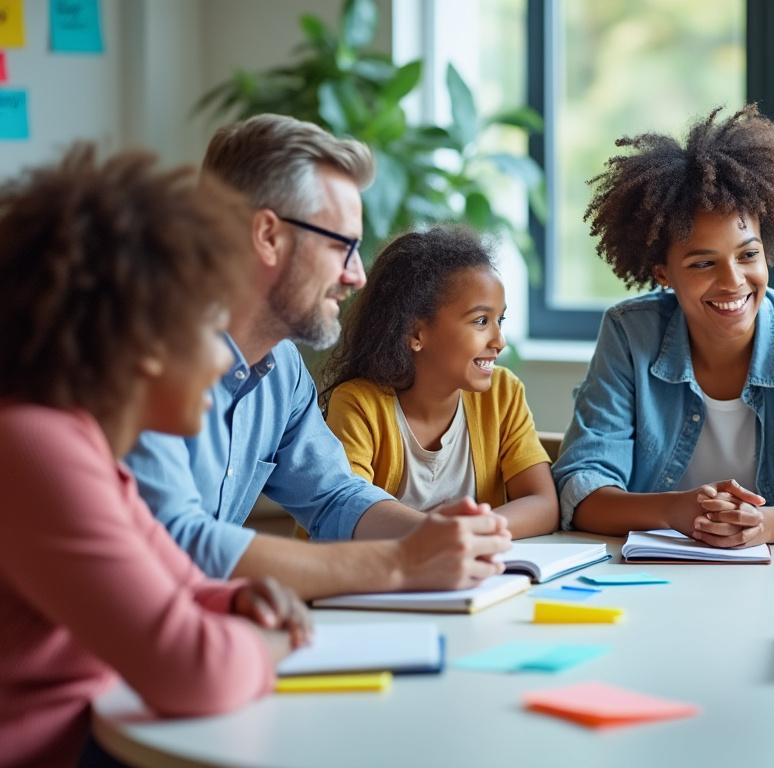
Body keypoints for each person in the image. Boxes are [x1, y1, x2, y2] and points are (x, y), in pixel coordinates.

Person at [0, 146, 311, 768]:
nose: (225, 358)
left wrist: (234, 602)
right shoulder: (33, 449)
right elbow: (193, 671)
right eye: (207, 326)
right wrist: (271, 642)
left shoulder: (80, 447)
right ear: (145, 342)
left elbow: (187, 587)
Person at [124, 114, 511, 599]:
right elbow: (173, 543)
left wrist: (433, 538)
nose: (357, 276)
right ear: (267, 236)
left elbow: (333, 495)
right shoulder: (141, 358)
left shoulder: (281, 369)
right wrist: (400, 562)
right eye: (341, 246)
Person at [552, 105, 774, 547]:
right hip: (657, 575)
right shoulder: (630, 334)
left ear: (768, 251)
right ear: (663, 274)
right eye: (703, 263)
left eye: (748, 255)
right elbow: (582, 490)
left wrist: (764, 526)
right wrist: (674, 511)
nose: (733, 281)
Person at [323, 226, 558, 537]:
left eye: (500, 320)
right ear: (416, 334)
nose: (499, 340)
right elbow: (347, 515)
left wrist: (466, 531)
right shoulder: (358, 404)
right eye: (480, 321)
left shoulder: (503, 394)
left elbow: (543, 504)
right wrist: (439, 534)